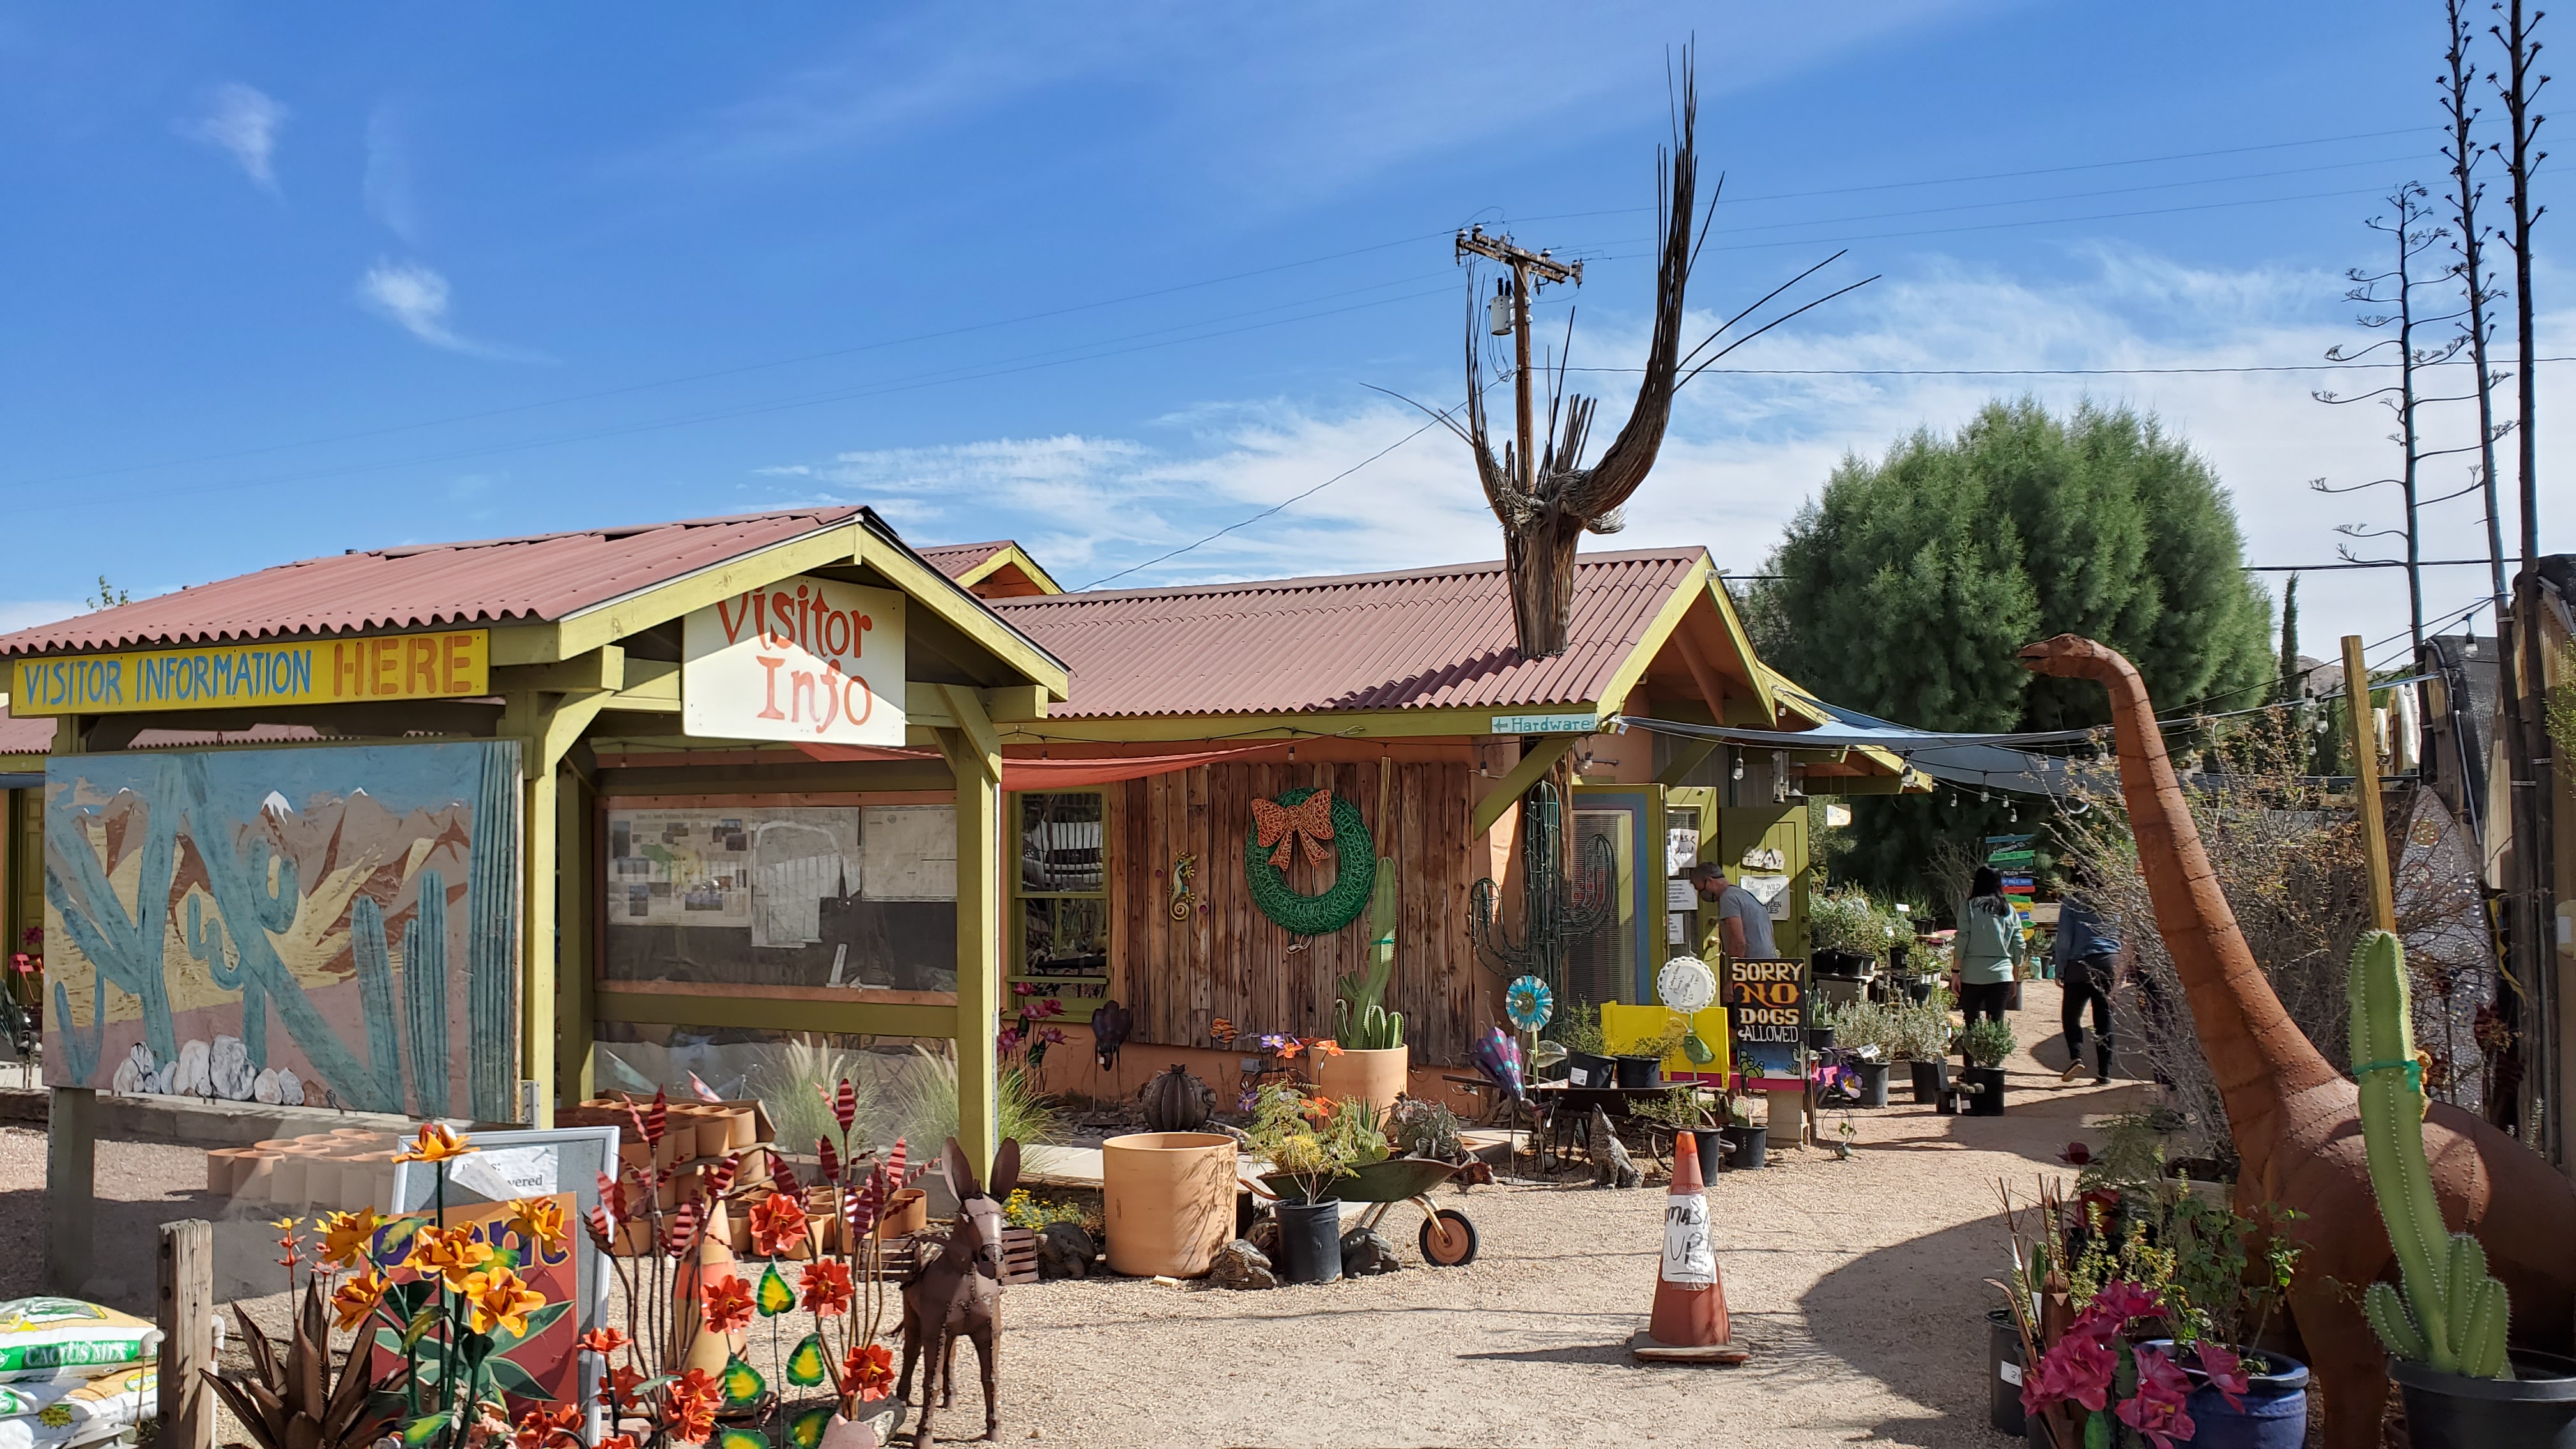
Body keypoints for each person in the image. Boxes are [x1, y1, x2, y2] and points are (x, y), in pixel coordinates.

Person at [2051, 870, 2121, 1085]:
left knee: (2071, 1016)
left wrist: (2060, 967)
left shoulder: (2072, 902)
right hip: (2108, 962)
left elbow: (2064, 938)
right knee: (2104, 1018)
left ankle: (2077, 1056)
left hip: (2079, 964)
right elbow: (2120, 933)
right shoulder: (2112, 902)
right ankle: (2104, 1073)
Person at [1949, 866, 2027, 1027]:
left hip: (1972, 974)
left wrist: (1956, 971)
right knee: (1996, 1025)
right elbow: (2019, 944)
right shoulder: (2009, 910)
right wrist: (2014, 976)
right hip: (2002, 975)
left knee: (1971, 1024)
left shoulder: (1968, 907)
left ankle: (1971, 1045)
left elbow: (1962, 938)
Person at [1687, 861, 1777, 960]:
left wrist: (1733, 966)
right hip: (1768, 962)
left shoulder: (1728, 898)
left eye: (1700, 889)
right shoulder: (1740, 894)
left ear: (1710, 881)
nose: (1701, 894)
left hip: (1753, 964)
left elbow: (1739, 943)